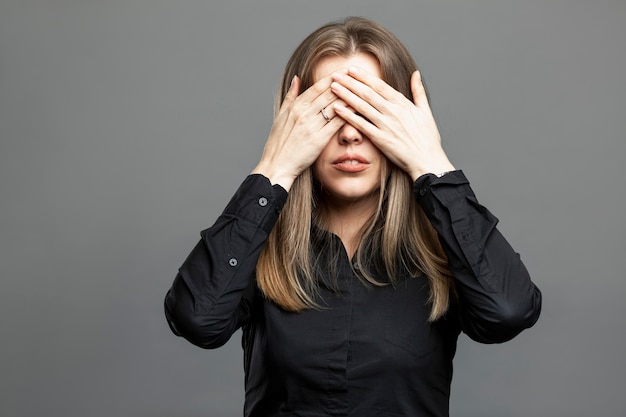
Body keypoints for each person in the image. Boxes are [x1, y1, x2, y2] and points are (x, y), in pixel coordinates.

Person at [164, 16, 542, 417]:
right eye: (329, 112)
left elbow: (508, 312)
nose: (350, 134)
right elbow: (197, 319)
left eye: (370, 111)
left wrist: (431, 161)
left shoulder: (442, 246)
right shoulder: (259, 243)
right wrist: (274, 169)